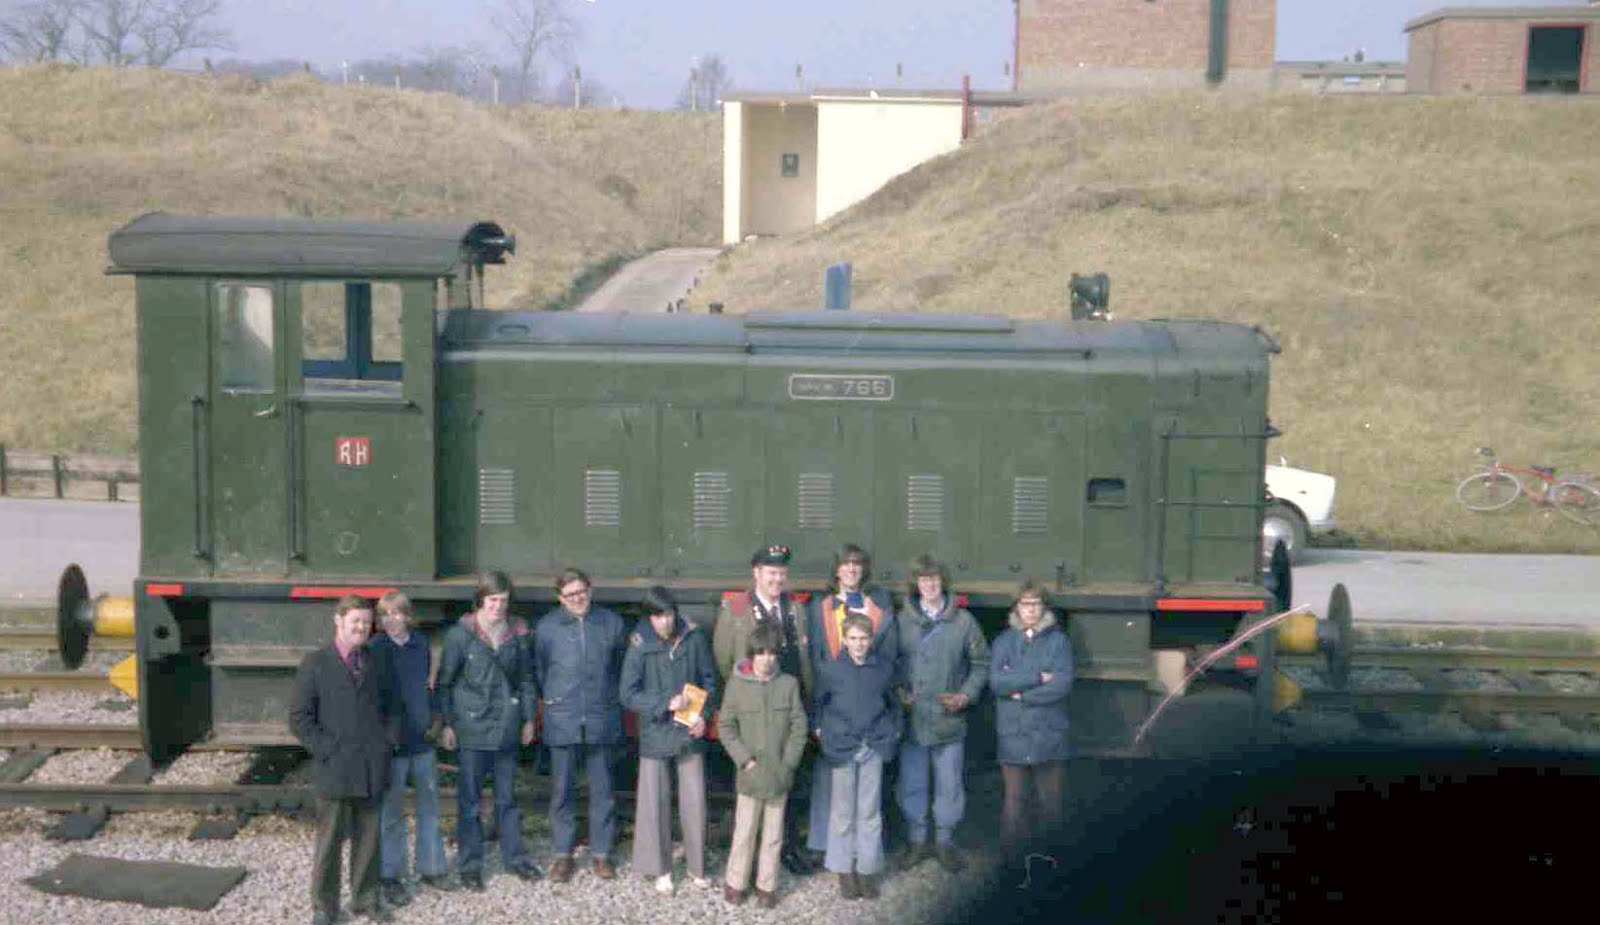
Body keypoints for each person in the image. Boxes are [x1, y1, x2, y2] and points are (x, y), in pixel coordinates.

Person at [289, 594, 396, 925]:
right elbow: (300, 719)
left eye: (366, 622)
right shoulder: (316, 664)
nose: (362, 628)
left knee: (369, 840)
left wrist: (387, 743)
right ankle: (325, 907)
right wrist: (327, 751)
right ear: (339, 621)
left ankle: (365, 899)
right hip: (335, 769)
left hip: (371, 766)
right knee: (330, 842)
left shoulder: (377, 661)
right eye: (356, 622)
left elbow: (392, 708)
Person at [712, 542, 816, 875]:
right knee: (753, 783)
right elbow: (725, 660)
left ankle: (784, 849)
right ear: (756, 573)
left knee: (788, 779)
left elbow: (802, 660)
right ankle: (747, 861)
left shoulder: (794, 609)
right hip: (754, 710)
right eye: (771, 573)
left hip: (787, 704)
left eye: (782, 573)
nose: (777, 579)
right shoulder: (737, 610)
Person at [436, 571, 541, 891]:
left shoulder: (517, 635)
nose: (498, 606)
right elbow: (445, 683)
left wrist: (528, 718)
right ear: (480, 600)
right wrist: (448, 724)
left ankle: (515, 858)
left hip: (506, 727)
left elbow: (525, 679)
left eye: (503, 601)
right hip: (472, 728)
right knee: (470, 800)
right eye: (493, 600)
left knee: (507, 799)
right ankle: (470, 864)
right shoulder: (460, 635)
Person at [893, 554, 990, 872]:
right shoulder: (901, 621)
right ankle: (917, 842)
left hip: (949, 720)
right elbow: (890, 664)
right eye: (923, 580)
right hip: (914, 720)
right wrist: (899, 693)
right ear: (916, 584)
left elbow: (981, 664)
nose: (929, 585)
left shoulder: (963, 622)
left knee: (949, 785)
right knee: (913, 783)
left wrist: (965, 695)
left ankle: (945, 843)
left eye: (934, 579)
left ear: (943, 583)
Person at [620, 586, 718, 895]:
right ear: (649, 618)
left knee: (694, 802)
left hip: (689, 731)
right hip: (656, 733)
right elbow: (627, 693)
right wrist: (664, 703)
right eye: (658, 616)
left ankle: (697, 867)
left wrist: (704, 716)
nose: (665, 622)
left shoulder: (695, 637)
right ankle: (660, 869)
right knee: (654, 804)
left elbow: (710, 682)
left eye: (669, 614)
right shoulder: (638, 644)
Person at [805, 544, 898, 865]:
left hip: (867, 702)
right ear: (836, 571)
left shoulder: (879, 606)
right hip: (832, 704)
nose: (852, 570)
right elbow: (815, 654)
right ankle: (824, 847)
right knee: (828, 780)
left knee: (866, 798)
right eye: (846, 565)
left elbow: (889, 657)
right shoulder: (821, 607)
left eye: (857, 565)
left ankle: (864, 856)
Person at [535, 566, 628, 883]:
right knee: (562, 790)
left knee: (602, 789)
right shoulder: (547, 628)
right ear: (559, 598)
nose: (578, 599)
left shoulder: (611, 624)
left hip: (600, 718)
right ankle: (563, 854)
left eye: (581, 592)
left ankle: (602, 854)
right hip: (563, 719)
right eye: (570, 595)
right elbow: (541, 670)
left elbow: (618, 668)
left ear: (591, 589)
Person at [369, 591, 455, 906]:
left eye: (399, 613)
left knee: (429, 807)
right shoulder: (375, 648)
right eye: (386, 614)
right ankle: (391, 873)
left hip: (421, 740)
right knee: (390, 811)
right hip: (392, 743)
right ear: (380, 620)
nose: (393, 620)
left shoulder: (420, 645)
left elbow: (427, 688)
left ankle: (431, 866)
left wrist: (439, 721)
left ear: (409, 615)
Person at [718, 623, 809, 910]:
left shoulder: (788, 684)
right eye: (760, 653)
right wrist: (744, 759)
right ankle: (736, 882)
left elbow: (799, 727)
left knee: (773, 834)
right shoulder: (737, 684)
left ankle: (766, 886)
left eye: (771, 653)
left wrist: (789, 764)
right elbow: (726, 727)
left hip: (779, 773)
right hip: (749, 774)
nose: (766, 658)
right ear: (751, 655)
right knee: (744, 831)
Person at [815, 613, 901, 899]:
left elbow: (894, 704)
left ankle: (866, 868)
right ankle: (843, 868)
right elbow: (818, 704)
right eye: (852, 638)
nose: (859, 644)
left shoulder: (883, 669)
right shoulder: (830, 669)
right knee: (843, 812)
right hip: (842, 746)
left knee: (869, 811)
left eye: (863, 638)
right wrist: (822, 731)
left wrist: (891, 732)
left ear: (871, 639)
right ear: (844, 639)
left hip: (873, 745)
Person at [989, 580, 1074, 870]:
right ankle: (1012, 864)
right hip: (1014, 734)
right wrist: (1038, 677)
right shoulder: (1003, 642)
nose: (1031, 609)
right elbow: (998, 683)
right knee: (1014, 803)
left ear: (1044, 607)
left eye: (1036, 604)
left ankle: (1050, 863)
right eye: (1025, 604)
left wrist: (1021, 694)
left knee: (1050, 804)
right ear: (1017, 607)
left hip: (1048, 734)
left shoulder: (1058, 642)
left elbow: (1061, 685)